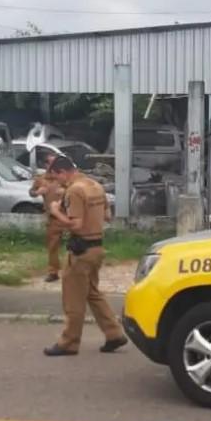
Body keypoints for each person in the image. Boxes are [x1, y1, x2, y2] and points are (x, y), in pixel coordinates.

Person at [43, 156, 127, 356]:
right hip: (97, 248)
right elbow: (107, 216)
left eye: (56, 177)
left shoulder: (74, 190)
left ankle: (69, 342)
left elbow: (76, 224)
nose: (57, 182)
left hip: (81, 250)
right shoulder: (96, 186)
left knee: (73, 298)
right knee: (92, 293)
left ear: (63, 172)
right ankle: (114, 333)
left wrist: (56, 212)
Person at [30, 152, 65, 282]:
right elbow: (31, 192)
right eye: (51, 162)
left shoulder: (64, 177)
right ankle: (53, 271)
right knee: (52, 246)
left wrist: (65, 191)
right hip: (53, 218)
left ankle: (75, 271)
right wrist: (36, 192)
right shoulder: (41, 179)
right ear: (46, 164)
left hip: (69, 215)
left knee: (75, 245)